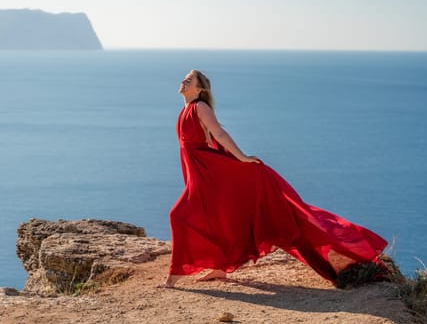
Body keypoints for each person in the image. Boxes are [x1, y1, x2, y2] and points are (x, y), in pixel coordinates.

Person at [161, 70, 387, 288]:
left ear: (200, 89)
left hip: (210, 172)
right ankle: (221, 266)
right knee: (219, 218)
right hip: (201, 173)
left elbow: (219, 133)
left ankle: (174, 276)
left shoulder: (200, 107)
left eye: (189, 80)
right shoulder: (186, 109)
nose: (183, 81)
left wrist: (241, 158)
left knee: (179, 215)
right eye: (185, 79)